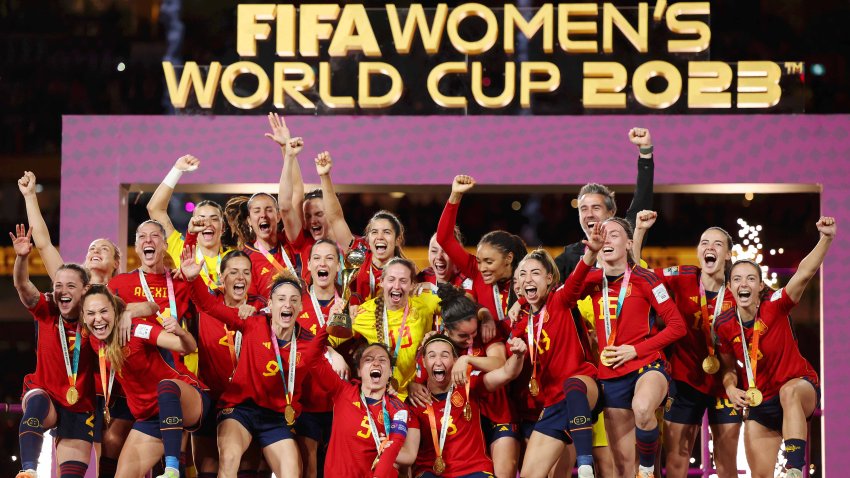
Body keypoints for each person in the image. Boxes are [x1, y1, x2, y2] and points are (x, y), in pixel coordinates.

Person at [715, 217, 834, 478]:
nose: (743, 284)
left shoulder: (775, 306)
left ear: (760, 286)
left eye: (750, 279)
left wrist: (825, 238)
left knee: (789, 392)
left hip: (799, 387)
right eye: (736, 279)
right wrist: (730, 387)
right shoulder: (723, 325)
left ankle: (793, 469)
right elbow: (727, 368)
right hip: (761, 403)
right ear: (730, 287)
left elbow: (803, 273)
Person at [185, 261, 324, 478]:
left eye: (293, 300)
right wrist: (193, 279)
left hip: (277, 418)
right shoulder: (254, 323)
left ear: (300, 307)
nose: (287, 305)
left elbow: (328, 369)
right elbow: (209, 307)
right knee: (229, 459)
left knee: (292, 473)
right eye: (281, 299)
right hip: (240, 411)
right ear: (270, 303)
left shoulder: (307, 342)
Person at [632, 211, 741, 478]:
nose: (709, 248)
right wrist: (639, 232)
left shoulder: (739, 289)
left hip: (726, 383)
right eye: (704, 243)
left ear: (727, 255)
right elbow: (639, 273)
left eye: (717, 244)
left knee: (726, 464)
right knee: (677, 461)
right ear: (698, 251)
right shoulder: (681, 276)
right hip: (684, 381)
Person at [580, 217, 686, 478]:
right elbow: (560, 295)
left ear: (628, 244)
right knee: (623, 469)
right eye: (602, 235)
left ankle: (648, 469)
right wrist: (519, 302)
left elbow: (677, 326)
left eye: (614, 235)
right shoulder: (591, 281)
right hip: (611, 375)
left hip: (647, 365)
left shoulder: (646, 279)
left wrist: (635, 350)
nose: (607, 239)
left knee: (642, 408)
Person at [82, 284, 208, 478]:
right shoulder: (94, 340)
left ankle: (172, 469)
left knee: (165, 387)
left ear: (115, 311)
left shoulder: (138, 329)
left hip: (183, 400)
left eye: (103, 311)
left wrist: (181, 332)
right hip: (150, 417)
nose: (97, 319)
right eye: (91, 313)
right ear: (84, 317)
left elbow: (188, 347)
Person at [513, 228, 604, 478]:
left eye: (535, 273)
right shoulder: (520, 324)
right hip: (552, 405)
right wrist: (518, 351)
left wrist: (592, 253)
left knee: (573, 384)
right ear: (518, 284)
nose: (528, 278)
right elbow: (514, 354)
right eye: (522, 274)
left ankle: (586, 467)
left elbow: (576, 279)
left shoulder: (560, 300)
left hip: (585, 387)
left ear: (550, 279)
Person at [12, 225, 99, 478]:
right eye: (58, 285)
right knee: (36, 404)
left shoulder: (97, 318)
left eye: (70, 286)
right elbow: (22, 285)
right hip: (46, 394)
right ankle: (28, 470)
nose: (62, 291)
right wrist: (21, 258)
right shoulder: (46, 308)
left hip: (80, 405)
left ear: (85, 290)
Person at [408, 284, 515, 477]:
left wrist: (468, 359)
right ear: (446, 330)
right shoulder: (437, 347)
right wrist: (411, 385)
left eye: (474, 333)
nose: (471, 340)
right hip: (459, 419)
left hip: (495, 414)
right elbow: (423, 379)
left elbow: (500, 363)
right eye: (463, 336)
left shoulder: (486, 331)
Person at [183, 250, 266, 477]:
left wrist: (257, 311)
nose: (240, 278)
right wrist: (191, 277)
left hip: (246, 403)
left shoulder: (262, 309)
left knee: (247, 471)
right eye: (233, 272)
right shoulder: (206, 305)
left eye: (246, 273)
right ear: (221, 278)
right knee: (208, 472)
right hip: (211, 399)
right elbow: (198, 296)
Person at [398, 334, 528, 477]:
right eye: (432, 356)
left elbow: (507, 373)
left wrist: (519, 356)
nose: (438, 362)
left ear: (455, 360)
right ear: (423, 360)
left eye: (445, 355)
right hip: (431, 472)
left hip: (473, 470)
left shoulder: (469, 386)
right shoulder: (415, 400)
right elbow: (409, 450)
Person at [553, 127, 655, 281]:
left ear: (611, 212)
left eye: (596, 207)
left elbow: (642, 198)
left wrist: (645, 153)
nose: (589, 215)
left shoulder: (625, 238)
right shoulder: (570, 256)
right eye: (583, 209)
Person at [330, 258, 437, 401]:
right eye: (391, 279)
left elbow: (463, 311)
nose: (397, 286)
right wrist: (336, 357)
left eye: (403, 281)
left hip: (420, 393)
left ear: (412, 285)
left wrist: (440, 334)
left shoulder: (426, 302)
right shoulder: (365, 313)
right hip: (384, 396)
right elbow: (326, 341)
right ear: (382, 281)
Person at [315, 151, 406, 309]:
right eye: (374, 232)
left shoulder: (405, 271)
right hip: (356, 329)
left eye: (387, 232)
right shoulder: (359, 253)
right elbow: (335, 218)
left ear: (398, 239)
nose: (379, 237)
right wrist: (325, 176)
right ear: (368, 239)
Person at [309, 342, 409, 477]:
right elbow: (311, 357)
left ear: (391, 371)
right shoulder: (343, 390)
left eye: (382, 360)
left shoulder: (398, 408)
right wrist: (332, 348)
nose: (376, 363)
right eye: (368, 359)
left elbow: (395, 446)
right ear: (359, 371)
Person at [294, 239, 350, 478]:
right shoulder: (295, 302)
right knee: (309, 467)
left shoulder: (351, 303)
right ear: (308, 265)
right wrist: (330, 351)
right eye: (317, 258)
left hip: (341, 404)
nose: (322, 263)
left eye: (329, 258)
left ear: (338, 266)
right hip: (307, 399)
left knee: (336, 468)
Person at [18, 171, 121, 284]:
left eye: (104, 249)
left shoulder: (124, 292)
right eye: (91, 249)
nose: (95, 251)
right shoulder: (71, 286)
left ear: (116, 263)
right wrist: (30, 196)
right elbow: (44, 245)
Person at [147, 155, 230, 291]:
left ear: (223, 227)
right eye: (201, 218)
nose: (207, 223)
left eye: (214, 219)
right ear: (193, 223)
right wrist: (177, 170)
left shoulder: (233, 258)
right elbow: (154, 209)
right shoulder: (181, 248)